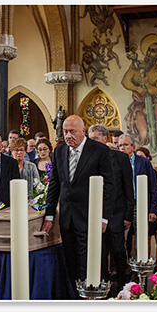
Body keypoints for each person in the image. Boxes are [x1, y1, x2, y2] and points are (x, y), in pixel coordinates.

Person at [40, 115, 114, 290]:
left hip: (90, 217)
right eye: (65, 131)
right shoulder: (59, 152)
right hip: (67, 218)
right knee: (70, 260)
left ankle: (91, 296)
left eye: (72, 131)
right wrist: (49, 215)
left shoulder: (99, 151)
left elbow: (110, 187)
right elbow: (54, 186)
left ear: (83, 131)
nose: (68, 136)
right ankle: (73, 297)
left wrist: (104, 218)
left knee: (88, 261)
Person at [88, 124, 133, 290]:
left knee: (118, 250)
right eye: (89, 139)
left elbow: (128, 187)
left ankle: (123, 284)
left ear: (105, 138)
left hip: (116, 212)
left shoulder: (120, 158)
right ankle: (102, 285)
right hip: (94, 213)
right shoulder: (88, 158)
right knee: (99, 252)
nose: (91, 142)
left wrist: (128, 215)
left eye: (95, 139)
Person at [117, 135, 157, 261]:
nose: (122, 148)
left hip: (140, 203)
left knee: (140, 237)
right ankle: (126, 266)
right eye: (120, 146)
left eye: (125, 145)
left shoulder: (143, 162)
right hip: (123, 204)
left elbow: (152, 186)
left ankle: (140, 266)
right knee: (124, 238)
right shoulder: (117, 161)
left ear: (133, 147)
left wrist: (153, 209)